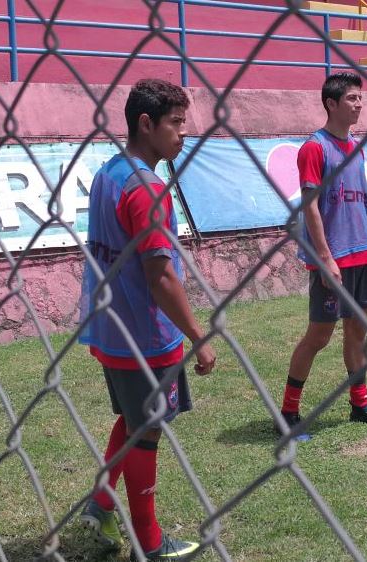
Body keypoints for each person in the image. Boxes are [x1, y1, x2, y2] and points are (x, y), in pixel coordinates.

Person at [78, 78, 216, 561]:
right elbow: (160, 277)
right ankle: (149, 540)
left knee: (134, 418)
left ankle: (101, 502)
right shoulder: (148, 190)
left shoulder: (109, 172)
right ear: (145, 124)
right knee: (149, 429)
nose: (184, 132)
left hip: (112, 325)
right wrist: (198, 336)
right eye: (176, 123)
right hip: (145, 333)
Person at [278, 72, 367, 441]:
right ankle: (288, 413)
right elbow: (311, 207)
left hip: (361, 254)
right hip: (332, 259)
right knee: (319, 336)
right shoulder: (314, 148)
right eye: (351, 98)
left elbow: (362, 203)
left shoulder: (357, 149)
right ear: (331, 104)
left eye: (360, 98)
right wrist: (324, 257)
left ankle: (360, 405)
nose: (359, 104)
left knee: (357, 333)